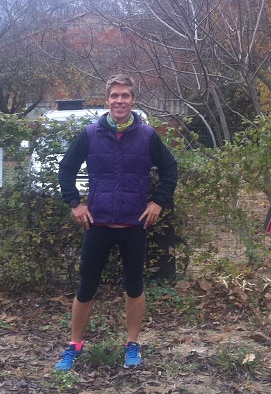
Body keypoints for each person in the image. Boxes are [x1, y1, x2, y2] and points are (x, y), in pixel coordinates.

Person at [54, 74, 178, 371]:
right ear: (106, 100)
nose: (119, 101)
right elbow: (66, 168)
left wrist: (158, 202)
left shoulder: (147, 135)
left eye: (125, 96)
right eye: (114, 96)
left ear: (133, 100)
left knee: (134, 287)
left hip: (133, 226)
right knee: (86, 287)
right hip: (97, 225)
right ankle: (75, 346)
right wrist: (74, 203)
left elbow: (170, 168)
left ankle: (132, 344)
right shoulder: (91, 133)